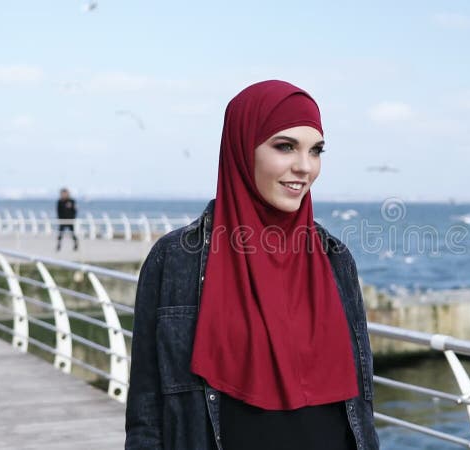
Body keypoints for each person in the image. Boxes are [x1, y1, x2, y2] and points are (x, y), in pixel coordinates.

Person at [125, 80, 379, 450]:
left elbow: (361, 408)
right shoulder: (175, 259)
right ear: (242, 149)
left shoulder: (334, 258)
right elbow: (146, 414)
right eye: (285, 147)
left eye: (316, 150)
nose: (304, 167)